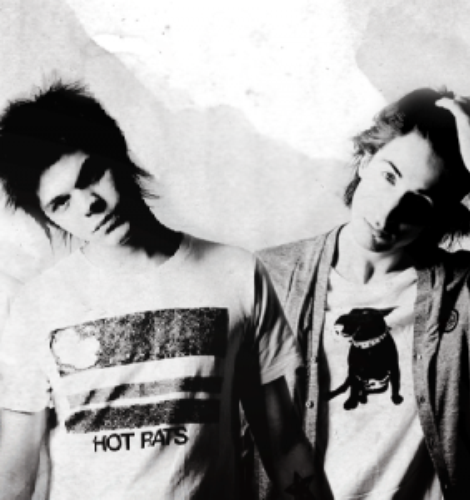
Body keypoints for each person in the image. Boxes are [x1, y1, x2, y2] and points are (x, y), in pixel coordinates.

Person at [0, 82, 330, 500]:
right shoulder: (38, 304)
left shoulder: (235, 273)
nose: (89, 205)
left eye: (91, 175)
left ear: (116, 153)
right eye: (61, 203)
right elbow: (15, 477)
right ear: (49, 218)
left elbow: (284, 447)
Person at [256, 88, 470, 500]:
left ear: (441, 215)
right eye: (389, 176)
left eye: (418, 203)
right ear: (367, 157)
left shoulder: (468, 287)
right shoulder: (270, 276)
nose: (388, 214)